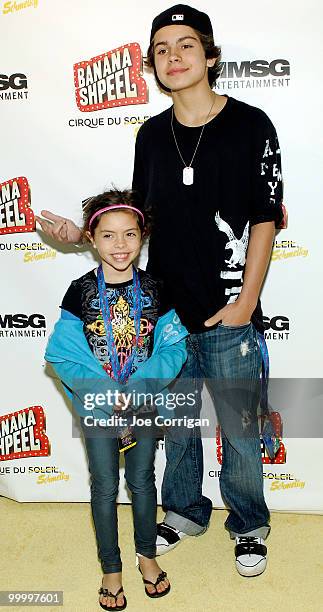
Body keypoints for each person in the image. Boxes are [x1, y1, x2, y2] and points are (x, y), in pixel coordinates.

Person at [37, 5, 285, 577]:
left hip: (229, 312)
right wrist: (81, 237)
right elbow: (136, 220)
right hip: (161, 319)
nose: (174, 57)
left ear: (211, 57)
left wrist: (246, 301)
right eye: (163, 49)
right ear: (152, 66)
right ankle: (185, 511)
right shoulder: (150, 135)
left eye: (187, 45)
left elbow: (266, 218)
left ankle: (248, 525)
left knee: (242, 430)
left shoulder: (252, 125)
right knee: (175, 427)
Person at [45, 189, 189, 610]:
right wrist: (107, 394)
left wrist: (139, 388)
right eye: (108, 236)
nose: (120, 245)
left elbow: (173, 347)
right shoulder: (79, 292)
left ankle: (147, 555)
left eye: (129, 234)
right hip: (97, 408)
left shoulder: (157, 291)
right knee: (104, 485)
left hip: (143, 406)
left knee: (143, 481)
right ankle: (111, 566)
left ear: (142, 237)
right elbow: (61, 354)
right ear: (91, 239)